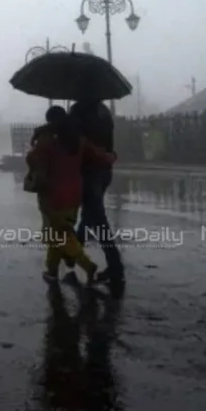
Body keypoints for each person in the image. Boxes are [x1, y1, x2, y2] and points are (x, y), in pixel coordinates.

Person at [27, 106, 116, 285]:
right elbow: (98, 155)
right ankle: (51, 272)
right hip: (74, 194)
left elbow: (32, 160)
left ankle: (87, 265)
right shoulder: (77, 139)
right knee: (58, 233)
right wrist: (111, 156)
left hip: (52, 195)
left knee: (57, 235)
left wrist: (35, 143)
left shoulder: (47, 140)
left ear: (50, 121)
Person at [69, 98, 123, 286]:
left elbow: (73, 143)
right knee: (90, 215)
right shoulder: (104, 111)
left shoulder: (77, 110)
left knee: (98, 221)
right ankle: (72, 255)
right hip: (103, 170)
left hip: (87, 170)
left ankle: (115, 267)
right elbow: (109, 143)